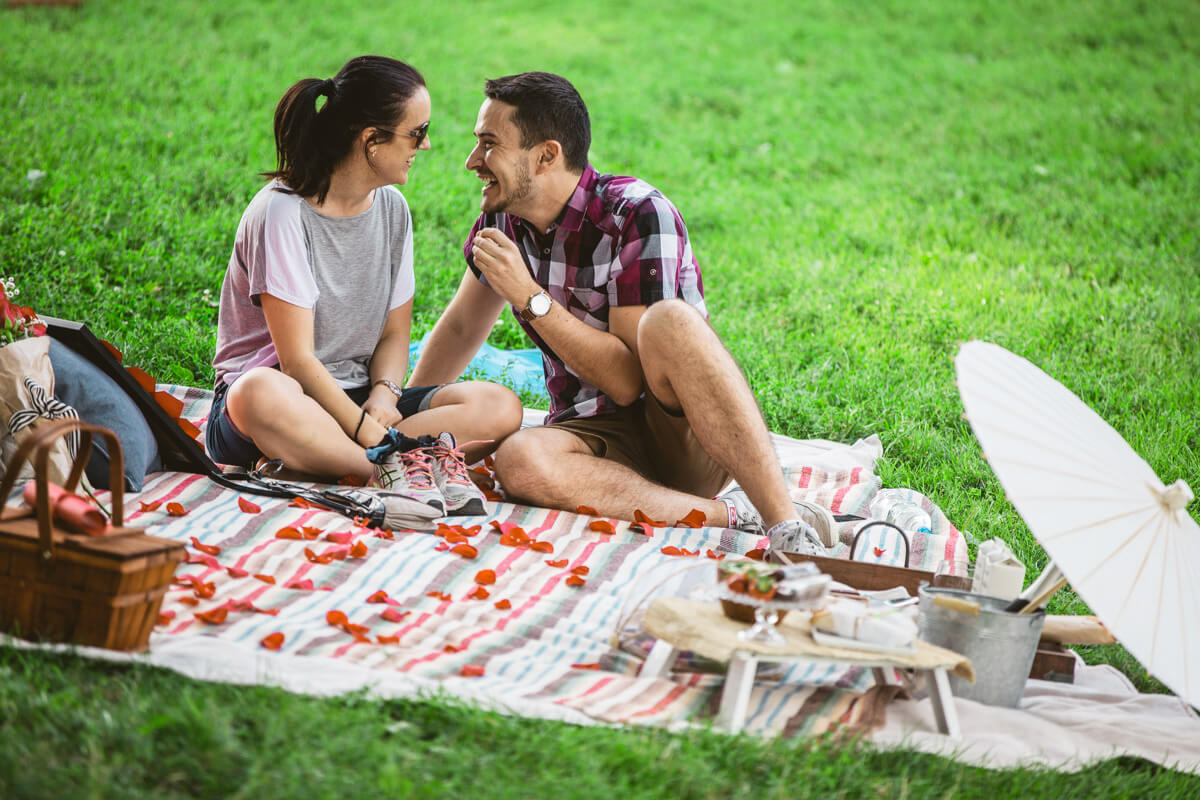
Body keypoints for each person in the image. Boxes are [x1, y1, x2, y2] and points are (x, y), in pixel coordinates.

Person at [407, 72, 832, 553]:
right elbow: (463, 326)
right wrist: (405, 414)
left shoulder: (637, 213)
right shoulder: (503, 220)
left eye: (488, 145)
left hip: (678, 430)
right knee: (520, 459)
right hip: (591, 433)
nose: (472, 162)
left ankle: (787, 526)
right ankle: (735, 516)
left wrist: (529, 296)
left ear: (547, 155)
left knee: (667, 321)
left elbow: (629, 382)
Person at [210, 56, 523, 515]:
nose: (427, 144)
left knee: (499, 406)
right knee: (257, 392)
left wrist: (383, 395)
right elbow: (297, 362)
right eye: (416, 133)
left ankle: (325, 462)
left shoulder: (392, 209)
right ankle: (391, 470)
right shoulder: (280, 213)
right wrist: (368, 433)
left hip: (357, 394)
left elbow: (396, 333)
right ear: (371, 141)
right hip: (282, 397)